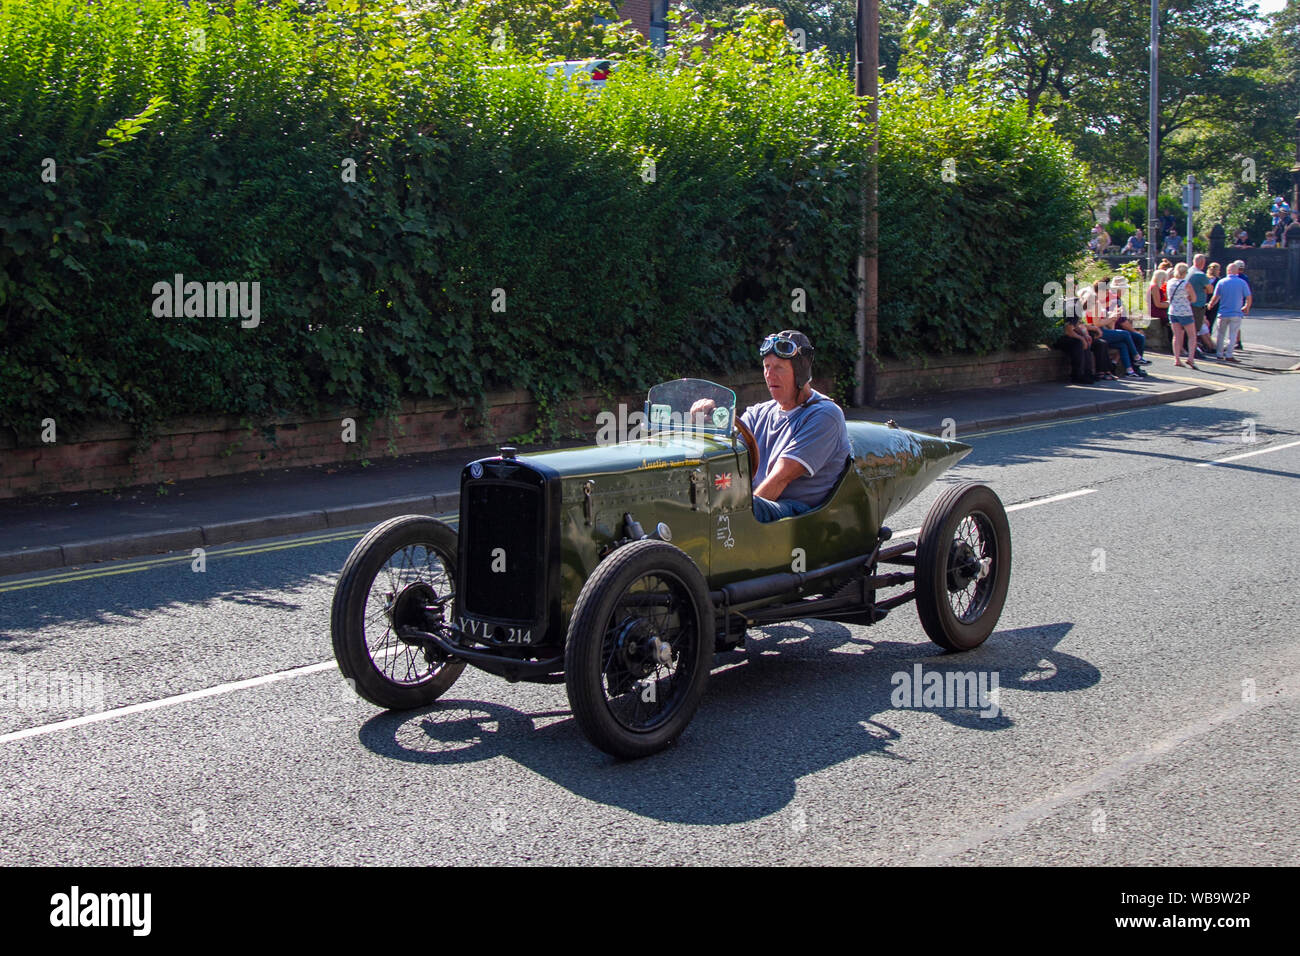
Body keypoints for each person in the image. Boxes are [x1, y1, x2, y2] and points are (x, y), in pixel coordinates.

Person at [712, 330, 852, 523]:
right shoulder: (758, 413)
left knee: (739, 508)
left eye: (778, 368)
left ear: (800, 373)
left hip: (797, 512)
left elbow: (780, 479)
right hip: (761, 503)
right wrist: (707, 422)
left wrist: (740, 519)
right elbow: (727, 454)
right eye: (766, 366)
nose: (769, 375)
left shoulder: (825, 415)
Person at [1055, 306, 1116, 383]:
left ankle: (1091, 373)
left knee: (1098, 343)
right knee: (1079, 343)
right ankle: (1077, 375)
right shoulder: (1072, 308)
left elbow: (1077, 326)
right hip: (1059, 338)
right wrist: (1082, 338)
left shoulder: (1078, 309)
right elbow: (1068, 331)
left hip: (1071, 335)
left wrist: (1085, 336)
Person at [1206, 261, 1251, 363]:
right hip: (1236, 313)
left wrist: (1210, 304)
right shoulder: (1242, 282)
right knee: (1233, 335)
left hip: (1222, 313)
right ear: (1236, 272)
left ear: (1227, 271)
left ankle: (1219, 354)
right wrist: (1246, 306)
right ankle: (1229, 355)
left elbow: (1215, 296)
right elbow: (1248, 296)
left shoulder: (1221, 282)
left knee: (1220, 334)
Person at [1165, 261, 1198, 369]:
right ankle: (1190, 358)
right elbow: (1194, 299)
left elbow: (1168, 296)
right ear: (1185, 273)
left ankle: (1177, 359)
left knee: (1177, 336)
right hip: (1185, 312)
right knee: (1192, 336)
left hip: (1173, 311)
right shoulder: (1186, 284)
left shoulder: (1169, 282)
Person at [1148, 267, 1169, 348]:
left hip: (1154, 310)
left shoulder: (1153, 286)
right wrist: (1169, 304)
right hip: (1156, 312)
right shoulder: (1155, 287)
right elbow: (1158, 304)